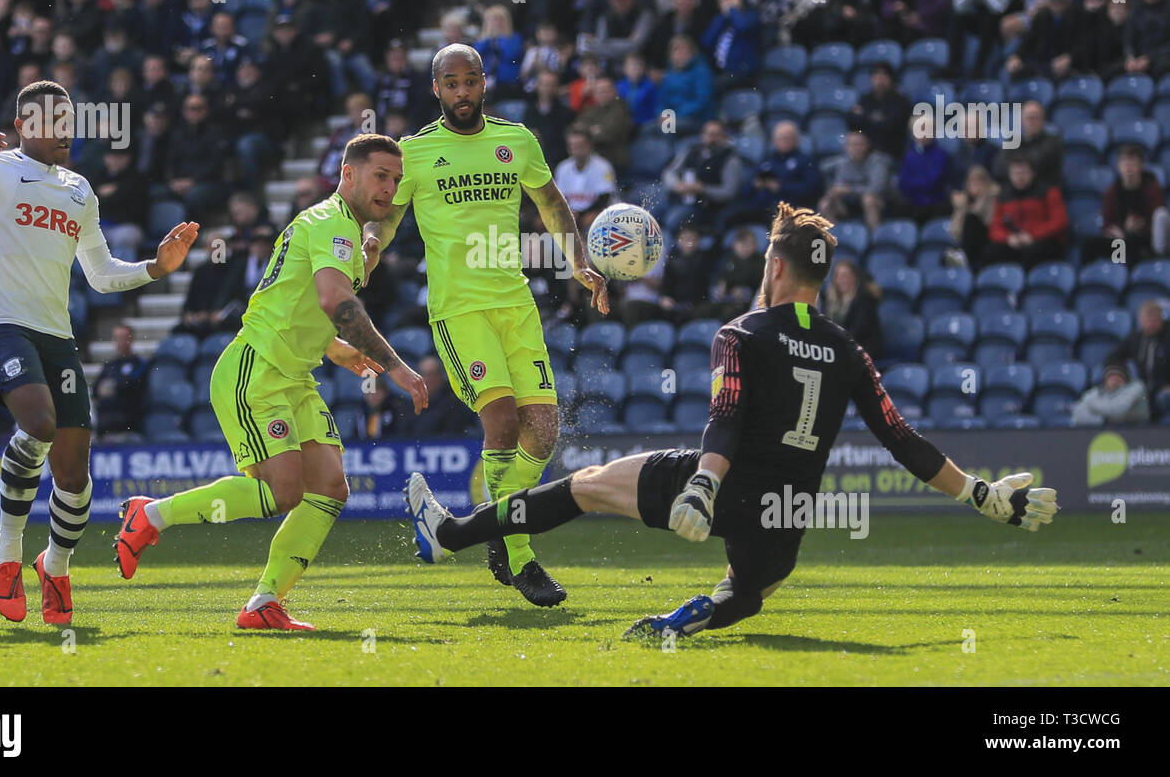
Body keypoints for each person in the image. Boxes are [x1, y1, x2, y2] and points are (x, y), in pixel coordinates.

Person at [408, 202, 1058, 638]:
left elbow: (726, 418)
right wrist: (981, 492)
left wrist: (704, 485)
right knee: (753, 589)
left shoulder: (741, 333)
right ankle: (685, 619)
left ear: (774, 267)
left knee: (584, 485)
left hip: (724, 482)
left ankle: (451, 534)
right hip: (787, 511)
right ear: (824, 278)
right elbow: (901, 439)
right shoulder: (849, 350)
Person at [0, 80, 199, 626]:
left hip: (54, 334)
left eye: (69, 119)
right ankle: (6, 555)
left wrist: (155, 268)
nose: (64, 129)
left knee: (73, 473)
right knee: (40, 424)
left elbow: (99, 273)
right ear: (23, 126)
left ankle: (57, 567)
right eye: (51, 120)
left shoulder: (79, 190)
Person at [114, 135, 428, 631]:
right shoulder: (331, 224)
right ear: (348, 174)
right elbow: (334, 303)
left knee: (329, 487)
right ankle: (152, 516)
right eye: (379, 176)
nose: (389, 188)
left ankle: (264, 603)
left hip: (295, 375)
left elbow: (296, 299)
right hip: (256, 370)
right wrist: (395, 365)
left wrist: (334, 347)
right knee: (281, 493)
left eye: (395, 178)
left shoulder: (340, 229)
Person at [364, 44, 609, 607]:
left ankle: (495, 525)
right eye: (451, 83)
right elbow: (389, 214)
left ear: (483, 84)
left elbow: (550, 200)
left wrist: (579, 263)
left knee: (543, 432)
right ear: (437, 90)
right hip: (460, 310)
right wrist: (372, 245)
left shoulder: (516, 140)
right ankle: (518, 553)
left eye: (470, 81)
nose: (462, 92)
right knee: (500, 424)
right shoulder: (416, 152)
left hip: (515, 305)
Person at [1085, 144, 1170, 264]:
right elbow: (1108, 223)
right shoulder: (1112, 191)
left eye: (1133, 164)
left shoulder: (1152, 188)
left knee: (1131, 244)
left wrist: (1134, 229)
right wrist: (1123, 230)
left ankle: (1126, 274)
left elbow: (1159, 223)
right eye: (1125, 163)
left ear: (1141, 166)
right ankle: (1093, 277)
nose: (1128, 168)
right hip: (1120, 238)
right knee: (1090, 244)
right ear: (1119, 166)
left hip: (1144, 240)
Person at [983, 154, 1069, 269]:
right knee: (991, 252)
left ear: (1032, 173)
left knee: (1032, 252)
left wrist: (1033, 235)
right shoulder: (1003, 197)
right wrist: (1008, 238)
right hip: (1015, 241)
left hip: (1044, 240)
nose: (1019, 177)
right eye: (1015, 173)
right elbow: (995, 228)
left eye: (1023, 172)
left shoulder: (1049, 192)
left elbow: (1060, 222)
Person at [1111, 300, 1170, 419]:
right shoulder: (1136, 339)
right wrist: (1116, 374)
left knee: (1163, 398)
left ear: (1161, 320)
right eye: (1147, 321)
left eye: (1154, 321)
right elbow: (1114, 357)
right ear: (1141, 321)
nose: (1151, 325)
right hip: (1143, 389)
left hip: (1164, 387)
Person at [821, 258, 882, 359]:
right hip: (839, 346)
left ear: (855, 278)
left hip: (862, 348)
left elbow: (858, 331)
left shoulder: (864, 299)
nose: (843, 280)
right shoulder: (829, 299)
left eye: (847, 276)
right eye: (839, 276)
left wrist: (833, 341)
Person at [93, 324, 146, 437]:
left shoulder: (140, 364)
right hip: (105, 423)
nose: (120, 341)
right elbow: (96, 389)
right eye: (117, 337)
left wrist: (114, 386)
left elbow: (133, 387)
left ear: (131, 339)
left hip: (128, 423)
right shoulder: (109, 365)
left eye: (124, 337)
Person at [1071, 357, 1151, 426]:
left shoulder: (1137, 387)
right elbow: (1077, 414)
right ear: (1105, 380)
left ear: (1126, 379)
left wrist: (1091, 406)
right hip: (1108, 431)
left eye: (1119, 376)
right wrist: (1101, 419)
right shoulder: (1098, 392)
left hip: (1136, 430)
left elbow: (1117, 410)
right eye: (1111, 376)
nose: (1115, 380)